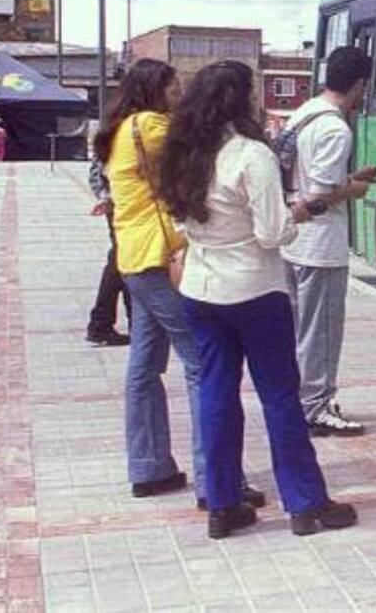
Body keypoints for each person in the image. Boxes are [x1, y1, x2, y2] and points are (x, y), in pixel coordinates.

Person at [159, 61, 358, 540]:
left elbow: (184, 222)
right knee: (279, 396)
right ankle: (306, 503)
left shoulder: (184, 153)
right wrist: (302, 214)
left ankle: (223, 504)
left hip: (201, 289)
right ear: (238, 99)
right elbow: (272, 234)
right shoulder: (251, 155)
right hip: (254, 290)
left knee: (215, 393)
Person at [96, 58, 262, 508]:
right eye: (173, 87)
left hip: (134, 255)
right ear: (155, 89)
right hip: (161, 256)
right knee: (203, 366)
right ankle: (218, 483)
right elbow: (199, 138)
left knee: (145, 365)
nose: (178, 95)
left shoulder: (118, 128)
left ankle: (150, 467)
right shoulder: (149, 125)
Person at [281, 46, 376, 436]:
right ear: (359, 84)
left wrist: (352, 175)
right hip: (320, 245)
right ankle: (317, 407)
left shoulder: (304, 112)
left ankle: (299, 400)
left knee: (297, 329)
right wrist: (354, 189)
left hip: (292, 240)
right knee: (320, 332)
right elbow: (320, 194)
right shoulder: (336, 128)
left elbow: (303, 175)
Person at [85, 152, 131, 346]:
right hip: (123, 203)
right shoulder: (118, 128)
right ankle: (100, 324)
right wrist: (107, 197)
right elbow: (97, 170)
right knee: (121, 259)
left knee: (123, 259)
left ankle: (104, 323)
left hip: (123, 201)